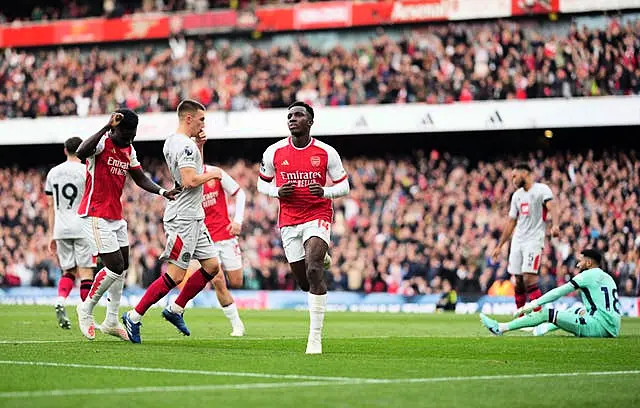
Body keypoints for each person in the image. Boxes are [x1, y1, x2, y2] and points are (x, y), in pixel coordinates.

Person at [122, 99, 222, 344]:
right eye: (201, 119)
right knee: (176, 275)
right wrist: (214, 174)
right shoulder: (184, 145)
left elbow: (190, 170)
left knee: (211, 266)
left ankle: (175, 309)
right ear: (188, 118)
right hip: (183, 219)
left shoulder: (174, 142)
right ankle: (133, 317)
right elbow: (189, 180)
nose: (203, 123)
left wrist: (200, 147)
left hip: (194, 215)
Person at [75, 109, 179, 341]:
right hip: (94, 214)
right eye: (126, 134)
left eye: (133, 134)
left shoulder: (129, 149)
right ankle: (86, 308)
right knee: (114, 266)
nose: (130, 139)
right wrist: (105, 125)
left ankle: (111, 320)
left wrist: (163, 191)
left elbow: (139, 177)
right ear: (114, 128)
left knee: (122, 268)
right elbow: (81, 151)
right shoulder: (101, 143)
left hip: (115, 217)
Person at [257, 101, 350, 354]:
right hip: (289, 220)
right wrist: (276, 191)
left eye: (298, 115)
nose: (292, 119)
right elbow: (260, 185)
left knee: (313, 269)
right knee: (304, 282)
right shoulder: (274, 152)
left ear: (310, 121)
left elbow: (344, 186)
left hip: (317, 214)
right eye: (289, 115)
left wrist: (325, 191)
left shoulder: (326, 152)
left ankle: (315, 338)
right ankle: (321, 257)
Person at [480, 249, 621, 338]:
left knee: (546, 313)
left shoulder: (587, 275)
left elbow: (559, 291)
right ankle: (540, 329)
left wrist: (534, 303)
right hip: (611, 326)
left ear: (589, 263)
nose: (578, 263)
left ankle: (501, 328)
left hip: (598, 327)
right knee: (576, 309)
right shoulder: (607, 277)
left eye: (581, 260)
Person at [179, 162, 246, 336]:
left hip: (227, 235)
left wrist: (238, 221)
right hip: (206, 240)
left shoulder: (215, 173)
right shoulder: (184, 179)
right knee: (218, 280)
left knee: (237, 281)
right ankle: (237, 325)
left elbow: (240, 194)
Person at [492, 163, 558, 312]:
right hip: (518, 241)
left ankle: (539, 314)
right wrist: (499, 245)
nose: (513, 179)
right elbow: (511, 222)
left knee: (529, 278)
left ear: (525, 174)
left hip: (534, 240)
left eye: (515, 176)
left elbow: (552, 207)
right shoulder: (517, 196)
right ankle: (520, 316)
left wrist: (555, 224)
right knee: (519, 281)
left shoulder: (542, 190)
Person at [45, 136, 95, 329]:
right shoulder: (86, 171)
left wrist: (51, 234)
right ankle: (85, 315)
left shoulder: (53, 173)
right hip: (81, 225)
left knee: (68, 270)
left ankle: (60, 298)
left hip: (61, 227)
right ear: (82, 149)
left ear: (65, 151)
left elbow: (50, 205)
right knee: (85, 272)